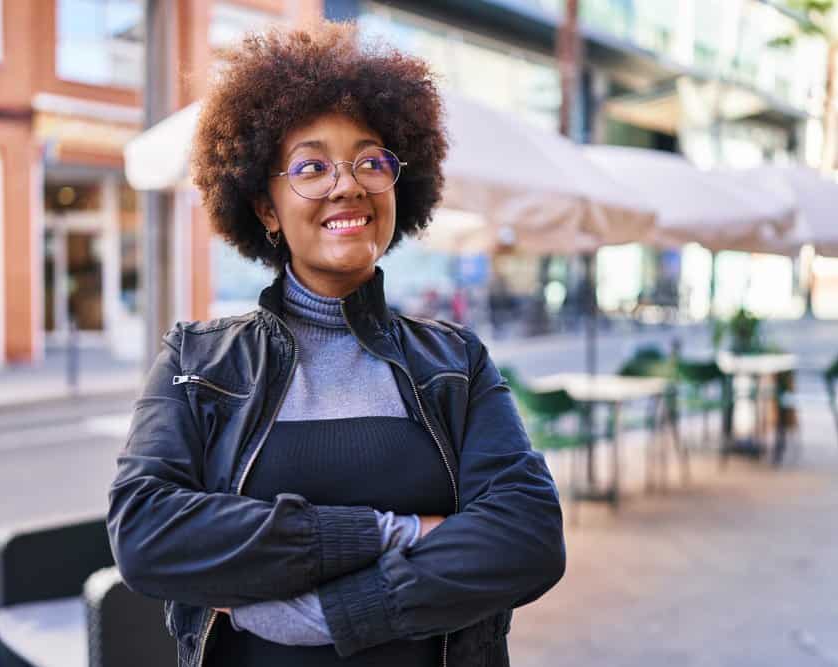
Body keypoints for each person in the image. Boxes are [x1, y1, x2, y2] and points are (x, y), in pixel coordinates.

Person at [107, 22, 565, 667]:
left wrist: (332, 613)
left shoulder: (456, 362)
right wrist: (392, 532)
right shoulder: (197, 360)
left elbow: (529, 536)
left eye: (370, 161)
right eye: (311, 166)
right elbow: (147, 535)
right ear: (265, 207)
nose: (346, 184)